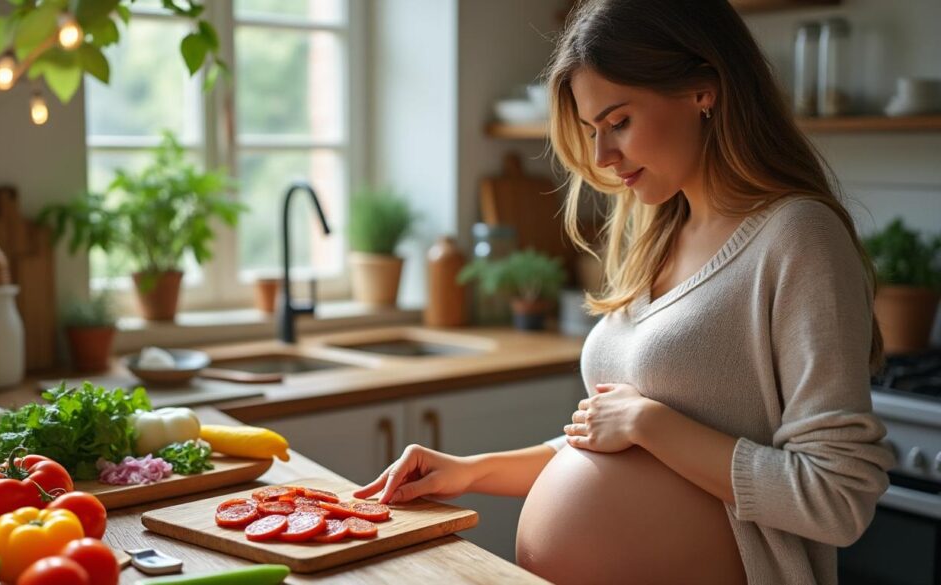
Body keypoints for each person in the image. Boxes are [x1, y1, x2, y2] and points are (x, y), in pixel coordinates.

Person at [353, 0, 895, 583]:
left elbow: (838, 500)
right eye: (592, 130)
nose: (601, 157)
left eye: (619, 122)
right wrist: (468, 471)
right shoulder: (659, 234)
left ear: (702, 90)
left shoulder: (797, 238)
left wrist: (650, 424)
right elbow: (616, 442)